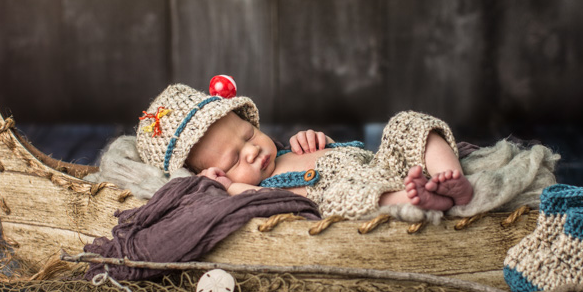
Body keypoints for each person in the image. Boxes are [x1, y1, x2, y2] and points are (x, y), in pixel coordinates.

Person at [136, 83, 473, 219]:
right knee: (339, 198)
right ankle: (418, 200)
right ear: (215, 173)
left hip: (384, 166)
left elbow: (348, 151)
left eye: (249, 135)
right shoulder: (246, 190)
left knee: (407, 124)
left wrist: (315, 140)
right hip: (354, 194)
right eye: (235, 160)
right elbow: (252, 201)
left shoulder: (287, 150)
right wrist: (227, 187)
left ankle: (448, 175)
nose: (252, 151)